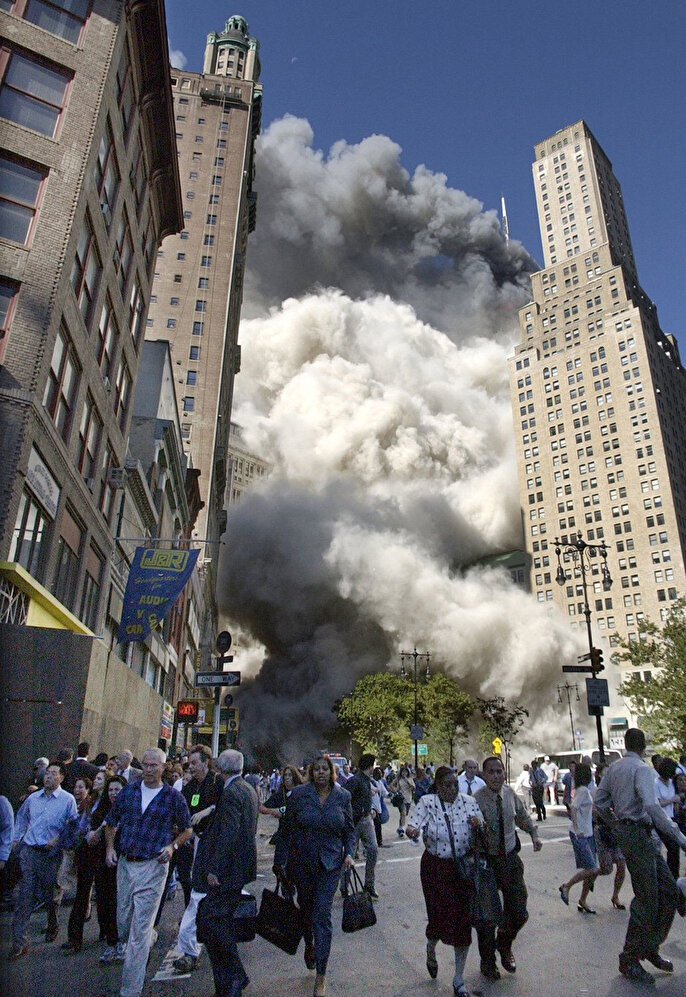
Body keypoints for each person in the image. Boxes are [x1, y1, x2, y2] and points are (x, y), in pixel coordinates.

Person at [594, 727, 686, 985]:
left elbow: (600, 801)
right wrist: (679, 837)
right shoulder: (642, 769)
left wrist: (615, 823)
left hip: (635, 833)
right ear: (644, 745)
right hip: (638, 833)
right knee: (647, 898)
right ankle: (630, 957)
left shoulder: (614, 769)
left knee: (669, 890)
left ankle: (649, 946)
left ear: (625, 744)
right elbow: (651, 806)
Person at [104, 748, 192, 997]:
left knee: (139, 932)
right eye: (145, 765)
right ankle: (148, 937)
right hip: (126, 864)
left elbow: (187, 829)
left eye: (154, 765)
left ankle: (130, 990)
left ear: (163, 768)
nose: (149, 769)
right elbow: (111, 822)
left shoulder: (173, 797)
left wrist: (172, 847)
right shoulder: (129, 792)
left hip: (153, 867)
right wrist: (110, 848)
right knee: (123, 926)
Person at [279, 755, 355, 997]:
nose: (321, 772)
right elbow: (286, 829)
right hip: (302, 863)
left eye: (325, 769)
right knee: (306, 912)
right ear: (311, 772)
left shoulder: (343, 796)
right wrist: (280, 862)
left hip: (330, 865)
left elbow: (349, 830)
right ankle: (309, 943)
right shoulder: (299, 795)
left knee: (322, 916)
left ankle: (321, 976)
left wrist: (349, 853)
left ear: (332, 772)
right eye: (317, 769)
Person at [406, 766, 484, 997]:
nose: (452, 789)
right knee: (437, 917)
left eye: (455, 784)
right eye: (447, 785)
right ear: (438, 787)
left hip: (461, 869)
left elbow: (482, 824)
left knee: (463, 923)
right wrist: (412, 831)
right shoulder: (427, 802)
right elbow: (414, 824)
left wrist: (478, 824)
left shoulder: (469, 802)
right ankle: (431, 948)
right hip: (435, 869)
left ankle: (458, 979)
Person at [193, 749, 258, 997]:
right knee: (219, 923)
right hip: (239, 866)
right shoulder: (246, 789)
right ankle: (231, 981)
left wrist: (215, 868)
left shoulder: (231, 792)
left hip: (228, 870)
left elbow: (229, 832)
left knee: (214, 923)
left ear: (220, 767)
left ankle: (233, 979)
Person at [474, 756, 542, 981]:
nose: (496, 776)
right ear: (484, 775)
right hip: (487, 862)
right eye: (491, 772)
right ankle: (487, 962)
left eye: (499, 771)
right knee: (487, 917)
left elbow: (522, 817)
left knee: (519, 911)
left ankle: (504, 943)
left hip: (509, 859)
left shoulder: (510, 794)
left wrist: (534, 834)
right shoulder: (476, 800)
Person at [9, 762, 77, 960]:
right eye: (47, 773)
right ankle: (19, 943)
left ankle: (52, 923)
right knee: (24, 897)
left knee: (50, 895)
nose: (48, 777)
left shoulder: (68, 800)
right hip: (30, 852)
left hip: (51, 855)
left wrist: (59, 839)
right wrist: (16, 839)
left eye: (53, 773)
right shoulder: (33, 798)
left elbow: (73, 825)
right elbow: (22, 818)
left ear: (61, 777)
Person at [172, 744, 225, 974]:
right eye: (189, 763)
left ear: (206, 762)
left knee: (207, 895)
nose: (190, 767)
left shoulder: (219, 783)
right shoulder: (190, 787)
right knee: (197, 894)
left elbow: (224, 808)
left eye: (194, 763)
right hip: (195, 845)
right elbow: (183, 813)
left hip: (215, 846)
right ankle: (191, 949)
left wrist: (209, 810)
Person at [89, 774, 126, 963]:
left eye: (117, 790)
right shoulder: (100, 812)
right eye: (110, 790)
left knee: (121, 904)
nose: (113, 793)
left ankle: (121, 942)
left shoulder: (130, 810)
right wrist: (101, 828)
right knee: (105, 903)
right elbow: (91, 839)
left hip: (124, 862)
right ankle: (111, 942)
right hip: (103, 863)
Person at [558, 763, 600, 913]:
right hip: (581, 833)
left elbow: (587, 809)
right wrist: (576, 828)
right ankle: (567, 886)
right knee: (592, 868)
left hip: (588, 833)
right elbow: (574, 808)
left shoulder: (584, 790)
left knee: (592, 870)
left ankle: (583, 899)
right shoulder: (582, 791)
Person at [339, 752, 378, 899]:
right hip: (355, 821)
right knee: (349, 853)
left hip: (366, 818)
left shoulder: (366, 780)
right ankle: (345, 886)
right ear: (370, 766)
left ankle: (369, 885)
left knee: (373, 849)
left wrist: (370, 809)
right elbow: (345, 798)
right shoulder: (355, 780)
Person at [592, 762, 627, 910]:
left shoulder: (615, 790)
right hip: (602, 831)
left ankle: (615, 896)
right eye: (605, 773)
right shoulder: (596, 791)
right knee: (606, 868)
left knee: (621, 864)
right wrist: (608, 815)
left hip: (616, 830)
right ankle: (589, 876)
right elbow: (594, 811)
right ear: (599, 775)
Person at [259, 764, 302, 868]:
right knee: (279, 866)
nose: (287, 778)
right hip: (284, 834)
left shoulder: (302, 792)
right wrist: (274, 811)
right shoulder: (280, 794)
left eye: (290, 775)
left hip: (299, 835)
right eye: (285, 775)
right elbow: (263, 808)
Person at [655, 757, 681, 879]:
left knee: (675, 849)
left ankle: (674, 875)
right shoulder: (656, 784)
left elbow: (675, 796)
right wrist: (671, 800)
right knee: (671, 847)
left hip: (672, 818)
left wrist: (676, 802)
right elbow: (657, 803)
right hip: (661, 819)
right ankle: (668, 876)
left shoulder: (671, 783)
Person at [391, 764, 415, 836]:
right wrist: (395, 791)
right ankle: (402, 829)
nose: (404, 773)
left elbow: (413, 787)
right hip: (402, 799)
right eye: (403, 772)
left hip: (408, 798)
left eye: (406, 772)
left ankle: (400, 827)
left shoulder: (410, 779)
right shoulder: (399, 780)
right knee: (403, 813)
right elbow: (395, 787)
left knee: (404, 814)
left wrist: (407, 780)